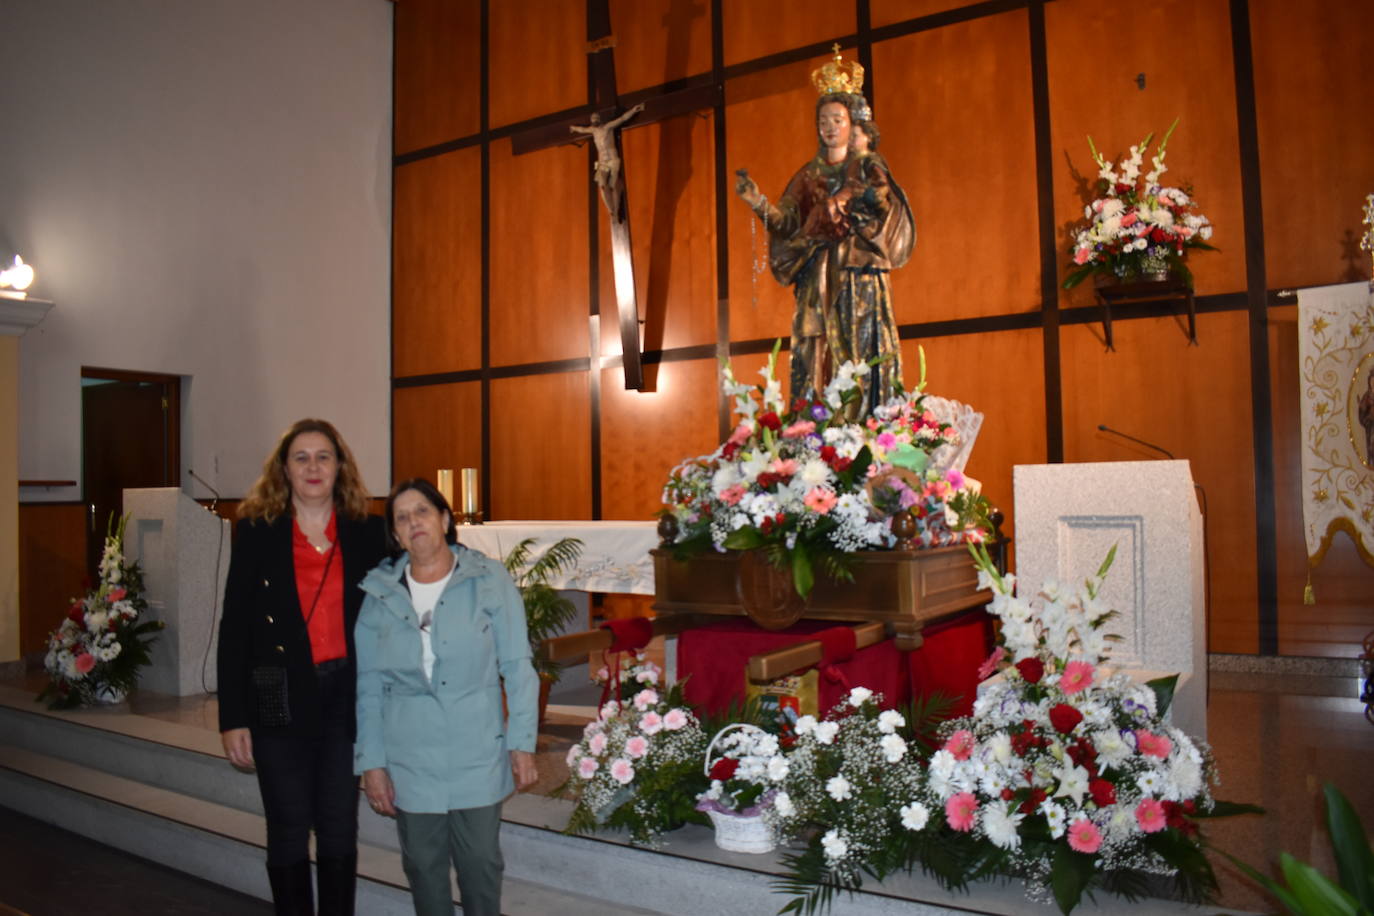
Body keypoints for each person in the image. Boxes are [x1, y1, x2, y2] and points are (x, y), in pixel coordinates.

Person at [217, 418, 387, 916]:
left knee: (338, 825)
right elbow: (235, 629)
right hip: (279, 693)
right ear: (284, 470)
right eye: (301, 457)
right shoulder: (257, 531)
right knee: (288, 825)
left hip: (344, 696)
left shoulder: (368, 532)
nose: (313, 467)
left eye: (323, 457)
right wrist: (233, 716)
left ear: (340, 467)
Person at [355, 479, 538, 916]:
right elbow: (368, 687)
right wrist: (372, 764)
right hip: (409, 755)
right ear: (395, 534)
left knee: (480, 865)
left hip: (475, 746)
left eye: (422, 511)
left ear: (444, 519)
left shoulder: (488, 579)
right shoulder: (379, 593)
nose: (413, 522)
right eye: (402, 517)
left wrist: (522, 743)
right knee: (422, 867)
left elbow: (517, 665)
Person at [735, 76, 914, 418]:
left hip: (858, 271)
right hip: (817, 273)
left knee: (860, 345)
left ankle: (866, 423)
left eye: (837, 120)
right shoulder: (808, 175)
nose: (829, 128)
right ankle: (814, 428)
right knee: (815, 346)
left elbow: (883, 207)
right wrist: (757, 202)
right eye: (823, 121)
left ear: (851, 124)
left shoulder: (867, 166)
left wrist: (853, 203)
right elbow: (787, 223)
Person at [570, 102, 645, 221]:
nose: (593, 121)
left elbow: (622, 118)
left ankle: (615, 209)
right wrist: (573, 128)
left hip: (612, 159)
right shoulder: (592, 130)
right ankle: (611, 211)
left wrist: (634, 110)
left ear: (599, 120)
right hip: (602, 162)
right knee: (602, 185)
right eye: (592, 119)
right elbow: (581, 129)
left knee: (613, 183)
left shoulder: (608, 127)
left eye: (595, 119)